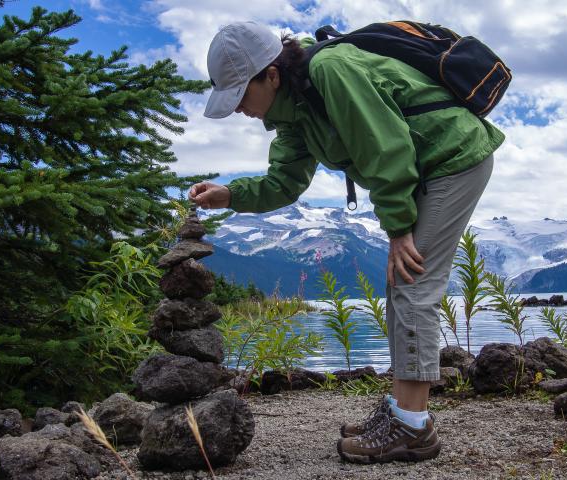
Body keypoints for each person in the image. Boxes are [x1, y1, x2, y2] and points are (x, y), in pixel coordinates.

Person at [189, 21, 504, 464]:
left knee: (413, 282)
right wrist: (231, 195)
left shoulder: (334, 72)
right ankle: (401, 411)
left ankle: (413, 429)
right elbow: (284, 181)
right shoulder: (293, 114)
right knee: (401, 284)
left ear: (272, 75)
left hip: (453, 157)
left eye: (241, 94)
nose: (239, 108)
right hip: (422, 166)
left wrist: (398, 230)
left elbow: (386, 149)